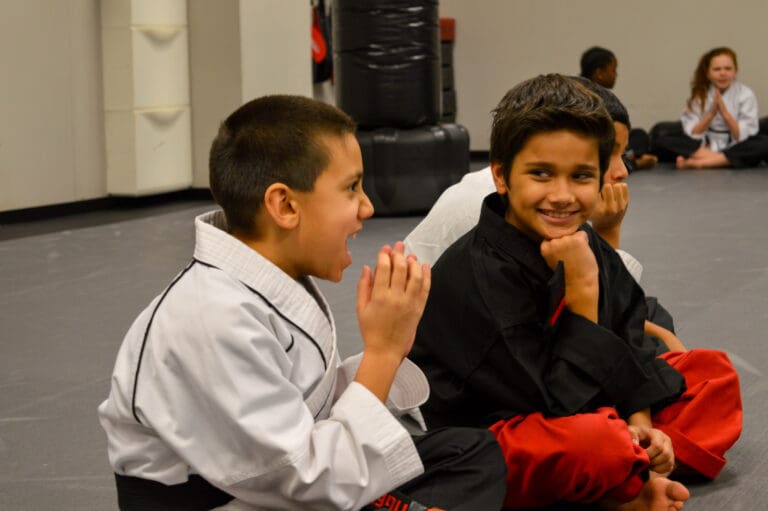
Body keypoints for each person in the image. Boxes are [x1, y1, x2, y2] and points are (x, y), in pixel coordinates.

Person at [97, 95, 507, 511]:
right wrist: (383, 352)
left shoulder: (257, 284)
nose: (367, 206)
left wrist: (391, 346)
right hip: (235, 500)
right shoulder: (210, 318)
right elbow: (309, 482)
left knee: (469, 454)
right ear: (285, 206)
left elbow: (307, 411)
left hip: (288, 479)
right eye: (351, 188)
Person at [410, 74, 742, 510]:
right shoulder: (481, 275)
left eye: (581, 176)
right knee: (595, 443)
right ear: (502, 176)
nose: (563, 196)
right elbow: (555, 408)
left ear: (601, 177)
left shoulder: (584, 242)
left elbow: (629, 338)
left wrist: (642, 423)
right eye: (542, 174)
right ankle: (621, 485)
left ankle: (630, 466)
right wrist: (582, 292)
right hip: (495, 430)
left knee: (712, 373)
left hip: (585, 405)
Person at [655, 46, 768, 169]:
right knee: (661, 139)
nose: (722, 73)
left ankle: (701, 163)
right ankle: (720, 159)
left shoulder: (746, 94)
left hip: (735, 144)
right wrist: (711, 114)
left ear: (735, 71)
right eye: (717, 69)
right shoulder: (700, 95)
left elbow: (743, 135)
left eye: (728, 69)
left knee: (763, 143)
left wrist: (725, 114)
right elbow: (693, 133)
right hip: (705, 146)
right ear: (708, 73)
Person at [580, 46, 657, 171]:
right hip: (596, 145)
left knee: (639, 135)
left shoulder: (602, 94)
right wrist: (637, 164)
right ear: (599, 73)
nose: (616, 74)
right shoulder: (589, 97)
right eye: (613, 70)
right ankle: (629, 160)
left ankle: (626, 156)